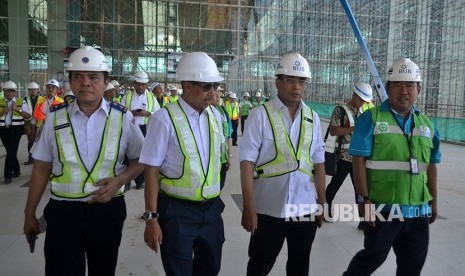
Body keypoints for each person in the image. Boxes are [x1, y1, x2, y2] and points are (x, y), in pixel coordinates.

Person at [23, 45, 144, 276]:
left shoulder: (122, 117)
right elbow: (41, 167)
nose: (85, 82)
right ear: (70, 81)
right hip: (63, 213)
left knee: (103, 271)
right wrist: (29, 213)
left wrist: (120, 181)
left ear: (105, 82)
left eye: (93, 77)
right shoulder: (54, 118)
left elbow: (141, 160)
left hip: (107, 212)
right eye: (78, 76)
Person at [343, 58, 441, 275]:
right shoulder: (371, 119)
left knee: (412, 266)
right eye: (397, 85)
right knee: (372, 257)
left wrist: (433, 200)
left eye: (409, 85)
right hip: (383, 209)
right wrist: (363, 200)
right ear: (387, 88)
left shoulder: (427, 125)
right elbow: (358, 161)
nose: (404, 91)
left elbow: (431, 165)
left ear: (419, 89)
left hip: (418, 211)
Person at [240, 53, 326, 276]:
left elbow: (318, 162)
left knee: (299, 266)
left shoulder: (312, 117)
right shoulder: (260, 115)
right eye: (290, 80)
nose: (296, 87)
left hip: (305, 206)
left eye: (301, 82)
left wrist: (322, 203)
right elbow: (246, 163)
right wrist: (248, 207)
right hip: (268, 207)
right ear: (277, 81)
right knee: (260, 264)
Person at [140, 51, 225, 276]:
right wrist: (151, 218)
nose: (213, 93)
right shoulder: (163, 119)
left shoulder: (215, 116)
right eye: (207, 87)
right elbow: (151, 171)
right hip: (177, 213)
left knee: (211, 268)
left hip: (211, 211)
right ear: (187, 85)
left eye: (215, 86)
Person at [325, 81, 373, 221]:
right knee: (335, 185)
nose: (363, 103)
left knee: (360, 189)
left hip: (359, 159)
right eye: (361, 100)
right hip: (343, 157)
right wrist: (354, 128)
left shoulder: (364, 113)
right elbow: (333, 131)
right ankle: (324, 209)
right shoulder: (340, 110)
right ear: (355, 95)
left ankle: (363, 218)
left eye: (365, 101)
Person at [121, 71, 160, 190]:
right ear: (134, 83)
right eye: (138, 84)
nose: (141, 87)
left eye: (143, 84)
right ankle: (126, 182)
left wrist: (148, 113)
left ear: (147, 84)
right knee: (126, 155)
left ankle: (140, 181)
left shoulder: (151, 98)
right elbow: (121, 112)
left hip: (144, 129)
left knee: (143, 157)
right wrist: (130, 113)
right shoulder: (127, 96)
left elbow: (158, 114)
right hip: (130, 128)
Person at [0, 81, 31, 183]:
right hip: (3, 130)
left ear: (15, 92)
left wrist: (18, 110)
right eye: (7, 91)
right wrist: (1, 113)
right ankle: (16, 170)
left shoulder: (21, 101)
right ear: (4, 91)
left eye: (12, 91)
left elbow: (28, 116)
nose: (9, 93)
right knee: (11, 152)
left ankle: (7, 176)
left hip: (16, 130)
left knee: (11, 152)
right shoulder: (0, 101)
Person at [211, 87, 233, 190]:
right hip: (210, 160)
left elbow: (228, 135)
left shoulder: (223, 111)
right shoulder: (203, 111)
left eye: (219, 93)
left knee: (220, 185)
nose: (218, 96)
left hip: (222, 158)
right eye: (215, 93)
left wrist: (229, 155)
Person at [23, 81, 40, 165]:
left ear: (37, 90)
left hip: (40, 122)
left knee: (39, 141)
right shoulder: (25, 99)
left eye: (34, 90)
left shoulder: (42, 99)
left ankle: (38, 158)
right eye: (31, 90)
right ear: (29, 91)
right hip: (29, 121)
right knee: (30, 140)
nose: (33, 91)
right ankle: (30, 158)